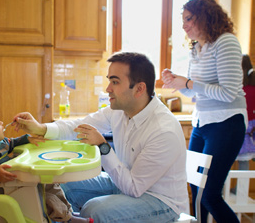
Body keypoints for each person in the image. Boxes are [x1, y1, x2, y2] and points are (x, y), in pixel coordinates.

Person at [13, 52, 189, 223]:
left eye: (115, 82)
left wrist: (103, 147)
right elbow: (80, 125)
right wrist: (41, 128)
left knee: (94, 210)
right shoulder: (120, 111)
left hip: (161, 201)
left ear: (139, 89)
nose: (108, 89)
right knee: (61, 186)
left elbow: (134, 188)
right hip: (125, 182)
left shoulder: (163, 130)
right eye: (109, 81)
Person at [162, 0, 247, 223]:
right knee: (196, 190)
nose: (184, 25)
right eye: (183, 20)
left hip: (226, 123)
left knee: (209, 194)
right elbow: (197, 91)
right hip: (202, 122)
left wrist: (188, 83)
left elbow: (228, 93)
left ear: (206, 17)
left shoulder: (226, 42)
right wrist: (177, 82)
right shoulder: (197, 48)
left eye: (189, 18)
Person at [0, 103, 93, 223]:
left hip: (18, 181)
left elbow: (14, 142)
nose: (1, 122)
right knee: (44, 188)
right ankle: (66, 218)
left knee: (51, 182)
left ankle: (66, 213)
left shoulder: (0, 143)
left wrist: (28, 139)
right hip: (8, 186)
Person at [236, 54, 255, 167]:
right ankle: (242, 185)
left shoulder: (240, 90)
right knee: (244, 160)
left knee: (227, 160)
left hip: (242, 126)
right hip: (252, 127)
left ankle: (236, 186)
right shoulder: (253, 87)